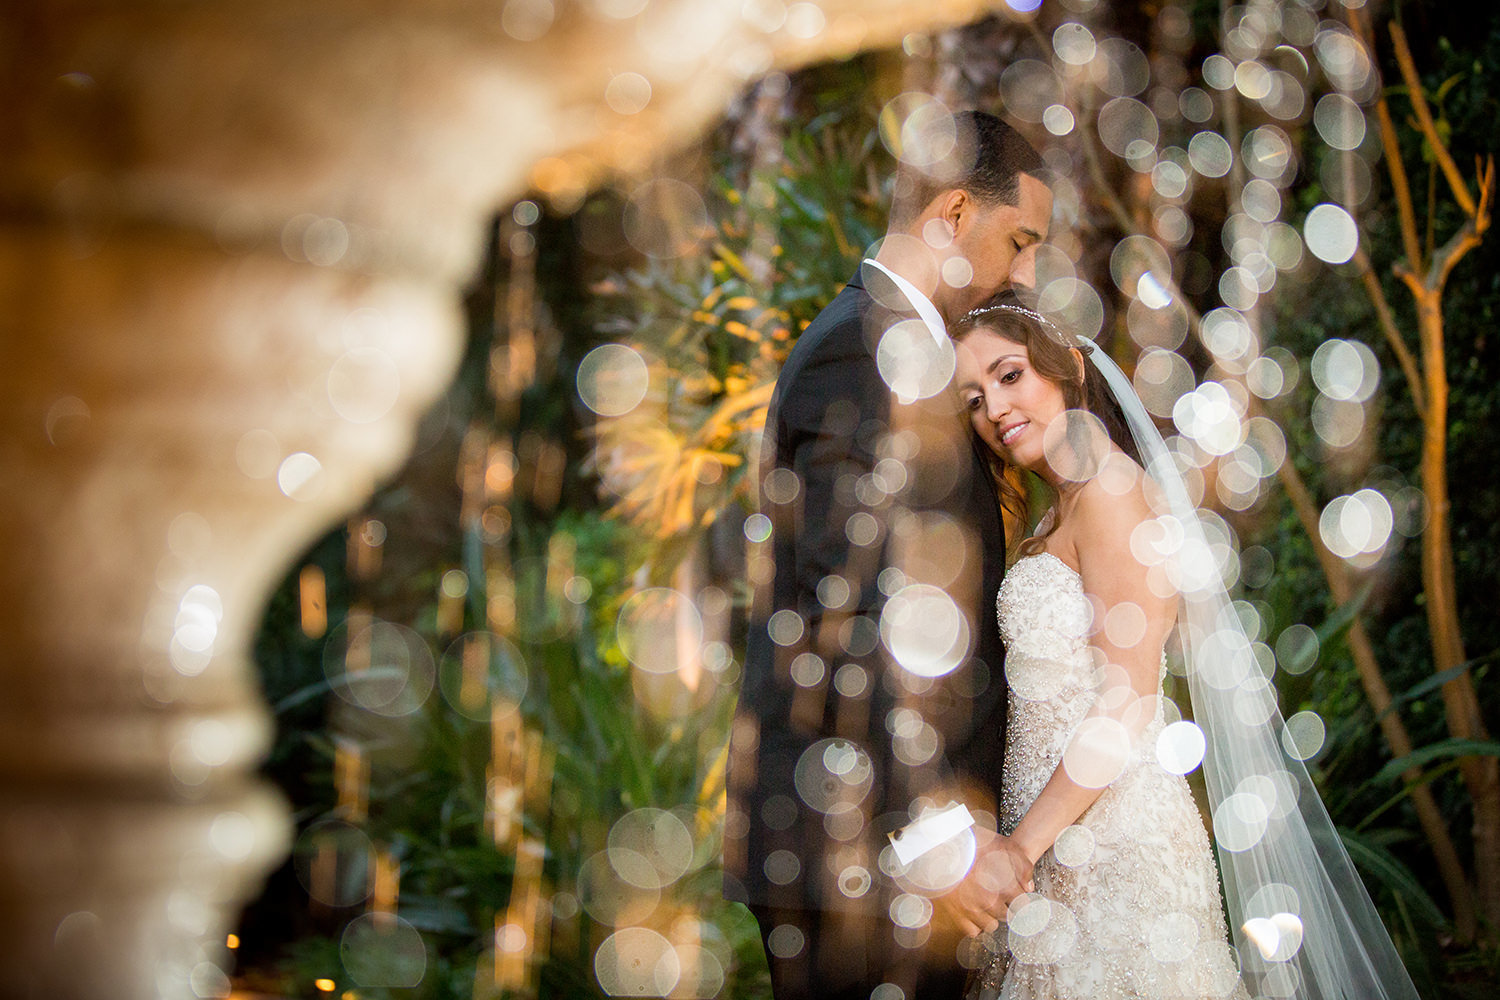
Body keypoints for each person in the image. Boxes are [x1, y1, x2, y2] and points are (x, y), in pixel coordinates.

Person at [951, 299, 1422, 1000]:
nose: (995, 407)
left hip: (1115, 847)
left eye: (1011, 375)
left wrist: (1020, 848)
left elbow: (1129, 700)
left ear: (1070, 370)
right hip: (1056, 838)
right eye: (975, 397)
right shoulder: (1059, 511)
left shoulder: (1112, 493)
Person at [723, 110, 1053, 1000]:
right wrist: (938, 841)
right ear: (951, 214)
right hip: (856, 863)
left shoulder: (893, 350)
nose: (1024, 273)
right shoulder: (857, 356)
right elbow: (850, 619)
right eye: (1018, 240)